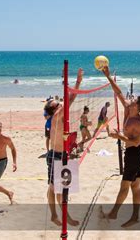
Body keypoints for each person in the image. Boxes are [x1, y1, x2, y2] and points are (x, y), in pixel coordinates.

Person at [100, 65, 140, 228]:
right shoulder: (128, 108)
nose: (130, 99)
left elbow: (135, 142)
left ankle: (113, 214)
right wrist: (108, 77)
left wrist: (118, 136)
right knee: (135, 185)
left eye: (133, 99)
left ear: (137, 106)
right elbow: (118, 92)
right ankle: (135, 217)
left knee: (125, 185)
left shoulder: (138, 123)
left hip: (134, 153)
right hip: (132, 152)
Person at [44, 68, 83, 227]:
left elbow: (69, 99)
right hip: (56, 156)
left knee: (57, 188)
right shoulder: (57, 115)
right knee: (58, 189)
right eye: (56, 103)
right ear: (55, 109)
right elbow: (70, 99)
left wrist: (75, 82)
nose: (59, 102)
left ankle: (55, 215)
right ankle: (62, 216)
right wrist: (73, 82)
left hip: (61, 155)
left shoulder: (58, 115)